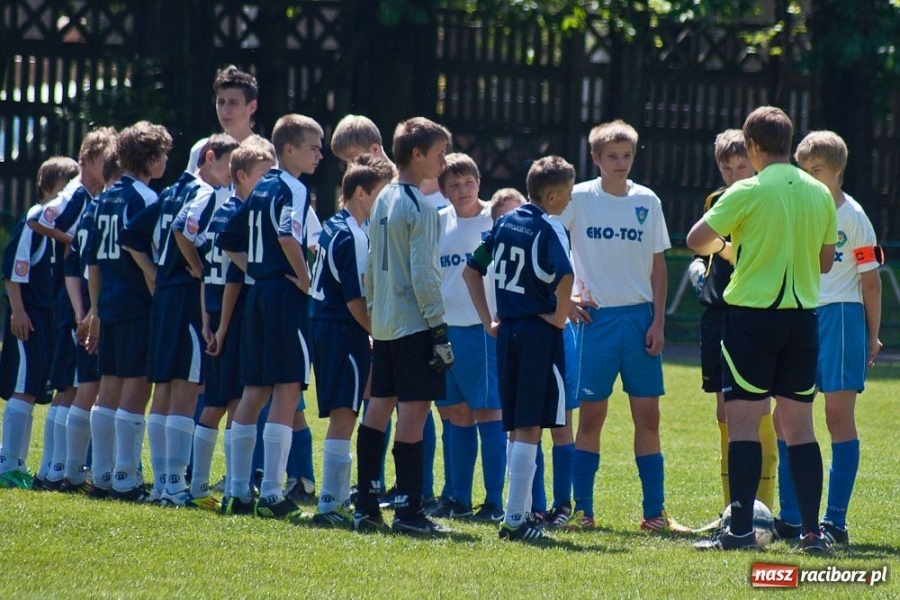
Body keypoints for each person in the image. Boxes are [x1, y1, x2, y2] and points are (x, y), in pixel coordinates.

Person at [689, 106, 837, 553]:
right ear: (789, 143)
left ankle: (739, 532)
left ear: (752, 146)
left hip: (751, 319)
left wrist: (731, 246)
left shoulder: (748, 190)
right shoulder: (819, 192)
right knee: (800, 429)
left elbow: (697, 240)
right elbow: (826, 262)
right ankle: (812, 533)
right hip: (802, 319)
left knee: (744, 426)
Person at [559, 119, 688, 534]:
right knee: (591, 419)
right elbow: (551, 245)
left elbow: (657, 265)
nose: (620, 163)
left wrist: (658, 322)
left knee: (648, 418)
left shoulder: (647, 201)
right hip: (594, 322)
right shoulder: (576, 199)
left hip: (638, 320)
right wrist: (567, 298)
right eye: (611, 156)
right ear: (594, 158)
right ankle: (583, 511)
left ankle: (654, 514)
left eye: (627, 156)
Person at [772, 130, 883, 546]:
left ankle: (835, 521)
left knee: (838, 418)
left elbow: (871, 284)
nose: (809, 177)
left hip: (840, 318)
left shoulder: (853, 217)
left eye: (816, 170)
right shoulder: (795, 206)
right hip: (798, 314)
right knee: (785, 419)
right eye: (804, 170)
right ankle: (792, 516)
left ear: (837, 171)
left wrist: (872, 336)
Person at [463, 155, 576, 542]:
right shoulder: (551, 227)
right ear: (552, 194)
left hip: (507, 331)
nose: (569, 201)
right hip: (536, 333)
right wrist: (560, 318)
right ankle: (515, 519)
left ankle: (518, 511)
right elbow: (566, 274)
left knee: (516, 425)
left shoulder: (504, 223)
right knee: (529, 424)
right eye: (568, 194)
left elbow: (470, 269)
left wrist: (487, 319)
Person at [217, 114, 323, 520]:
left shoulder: (260, 187)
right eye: (313, 147)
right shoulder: (293, 187)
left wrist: (256, 270)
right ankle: (274, 494)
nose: (319, 155)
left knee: (253, 392)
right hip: (282, 294)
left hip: (259, 293)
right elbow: (285, 234)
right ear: (290, 149)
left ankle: (237, 490)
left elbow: (229, 238)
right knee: (286, 390)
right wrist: (302, 276)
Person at [353, 117, 452, 535]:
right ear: (417, 155)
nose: (444, 161)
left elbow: (370, 271)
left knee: (377, 410)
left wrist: (376, 317)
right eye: (439, 153)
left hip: (387, 324)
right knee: (413, 415)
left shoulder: (382, 201)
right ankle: (409, 511)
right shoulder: (421, 207)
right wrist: (439, 328)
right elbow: (424, 274)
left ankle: (366, 504)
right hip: (414, 325)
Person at [686, 129, 777, 513]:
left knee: (759, 409)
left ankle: (765, 507)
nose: (735, 173)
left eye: (742, 165)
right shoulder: (716, 201)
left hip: (754, 313)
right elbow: (705, 251)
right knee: (724, 410)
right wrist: (698, 271)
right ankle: (733, 509)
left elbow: (740, 254)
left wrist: (723, 250)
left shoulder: (765, 200)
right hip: (717, 317)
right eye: (727, 167)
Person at [308, 155, 396, 526]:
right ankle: (331, 503)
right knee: (345, 415)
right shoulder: (353, 235)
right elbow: (354, 298)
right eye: (381, 194)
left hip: (327, 327)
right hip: (342, 329)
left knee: (343, 413)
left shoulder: (334, 225)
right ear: (361, 193)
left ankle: (335, 499)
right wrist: (378, 333)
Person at [87, 121, 172, 501]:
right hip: (138, 302)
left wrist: (95, 308)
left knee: (109, 386)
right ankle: (125, 477)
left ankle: (103, 475)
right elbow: (145, 254)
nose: (166, 161)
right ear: (151, 160)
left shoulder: (105, 196)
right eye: (163, 154)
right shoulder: (145, 200)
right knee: (137, 386)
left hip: (110, 302)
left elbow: (92, 262)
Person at [28, 128, 117, 491]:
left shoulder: (94, 198)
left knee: (71, 384)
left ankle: (55, 467)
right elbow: (38, 216)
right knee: (75, 385)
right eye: (104, 161)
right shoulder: (79, 195)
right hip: (73, 300)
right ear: (88, 161)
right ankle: (60, 469)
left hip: (74, 297)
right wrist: (73, 239)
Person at [194, 136, 275, 506]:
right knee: (226, 401)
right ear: (241, 176)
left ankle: (215, 484)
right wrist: (222, 326)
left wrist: (206, 318)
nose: (269, 181)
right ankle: (210, 486)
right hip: (234, 316)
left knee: (225, 401)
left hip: (216, 313)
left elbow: (205, 274)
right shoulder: (237, 213)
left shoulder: (222, 210)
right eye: (263, 174)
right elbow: (231, 277)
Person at [429, 154, 507, 521]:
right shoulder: (436, 223)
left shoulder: (496, 219)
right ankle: (456, 497)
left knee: (489, 412)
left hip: (483, 331)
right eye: (454, 184)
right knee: (454, 413)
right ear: (443, 189)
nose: (462, 190)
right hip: (445, 332)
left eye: (468, 182)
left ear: (479, 182)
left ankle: (494, 502)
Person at [0, 157, 80, 489]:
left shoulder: (59, 232)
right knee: (23, 388)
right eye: (64, 188)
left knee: (36, 387)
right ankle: (8, 463)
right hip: (28, 317)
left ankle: (26, 464)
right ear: (47, 188)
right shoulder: (32, 224)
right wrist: (18, 311)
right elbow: (12, 272)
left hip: (48, 318)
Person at [60, 141, 121, 493]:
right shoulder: (103, 207)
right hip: (103, 307)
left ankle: (73, 470)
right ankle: (96, 471)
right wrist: (90, 312)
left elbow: (72, 263)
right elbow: (88, 265)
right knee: (98, 388)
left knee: (91, 387)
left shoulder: (92, 209)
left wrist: (80, 311)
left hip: (87, 306)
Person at [186, 66, 258, 172]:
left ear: (252, 107)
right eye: (221, 102)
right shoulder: (201, 150)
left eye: (233, 103)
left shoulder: (267, 155)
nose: (225, 110)